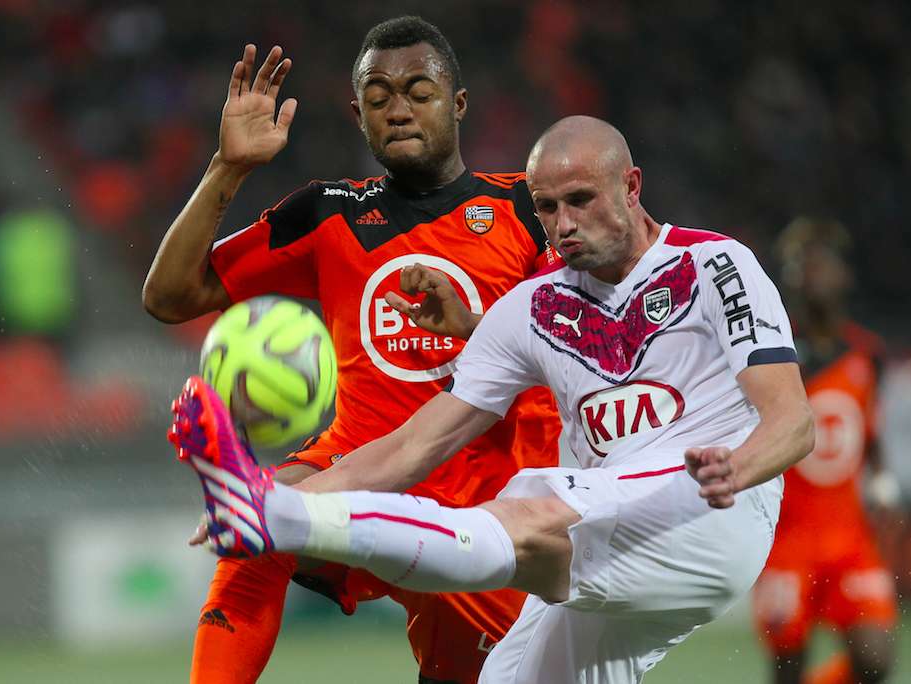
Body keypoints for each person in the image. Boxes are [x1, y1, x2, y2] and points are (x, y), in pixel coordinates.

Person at [169, 115, 816, 683]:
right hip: (615, 528)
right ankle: (275, 515)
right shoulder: (531, 309)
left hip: (713, 508)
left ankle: (286, 520)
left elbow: (792, 422)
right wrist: (265, 498)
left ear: (631, 186)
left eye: (580, 200)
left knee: (528, 518)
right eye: (546, 208)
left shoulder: (715, 265)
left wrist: (737, 467)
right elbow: (411, 448)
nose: (563, 225)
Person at [143, 16, 562, 684]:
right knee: (257, 529)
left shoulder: (527, 209)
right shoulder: (328, 212)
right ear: (357, 115)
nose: (397, 110)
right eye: (377, 97)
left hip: (487, 502)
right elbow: (170, 296)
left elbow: (572, 346)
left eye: (418, 92)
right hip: (354, 469)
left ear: (457, 103)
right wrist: (229, 166)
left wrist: (473, 325)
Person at [752, 218, 900, 684]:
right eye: (803, 264)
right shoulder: (772, 350)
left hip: (849, 537)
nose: (813, 273)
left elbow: (867, 429)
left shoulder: (867, 353)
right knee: (788, 670)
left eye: (822, 263)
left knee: (875, 659)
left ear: (845, 275)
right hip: (787, 539)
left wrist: (882, 481)